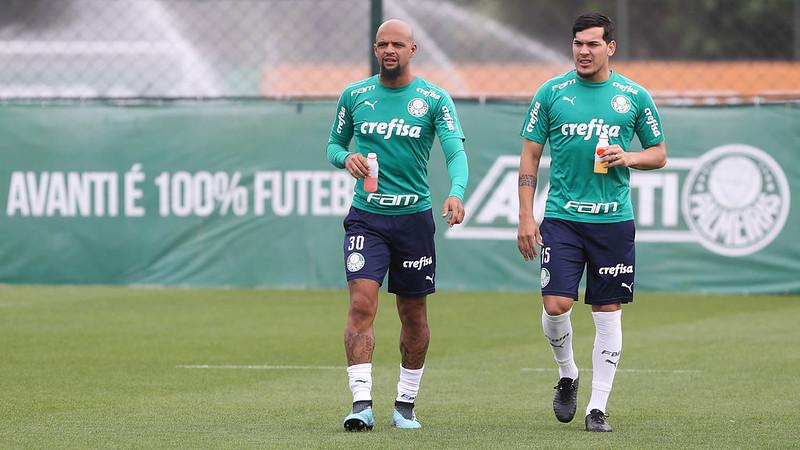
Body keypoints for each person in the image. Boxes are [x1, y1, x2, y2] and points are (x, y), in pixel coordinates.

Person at [516, 12, 666, 432]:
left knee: (607, 310)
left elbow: (658, 152)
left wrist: (629, 156)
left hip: (614, 221)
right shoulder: (552, 93)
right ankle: (568, 373)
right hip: (563, 218)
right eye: (578, 43)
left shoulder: (632, 96)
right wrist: (526, 215)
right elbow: (530, 155)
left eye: (593, 44)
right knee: (555, 304)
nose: (584, 51)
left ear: (610, 48)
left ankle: (597, 408)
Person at [326, 18, 469, 432]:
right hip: (367, 218)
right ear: (375, 49)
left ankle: (405, 404)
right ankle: (361, 405)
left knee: (413, 313)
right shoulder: (355, 96)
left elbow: (454, 152)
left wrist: (456, 191)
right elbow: (334, 144)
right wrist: (344, 158)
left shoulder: (434, 98)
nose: (389, 50)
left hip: (413, 219)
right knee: (360, 304)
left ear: (412, 50)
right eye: (382, 44)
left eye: (397, 44)